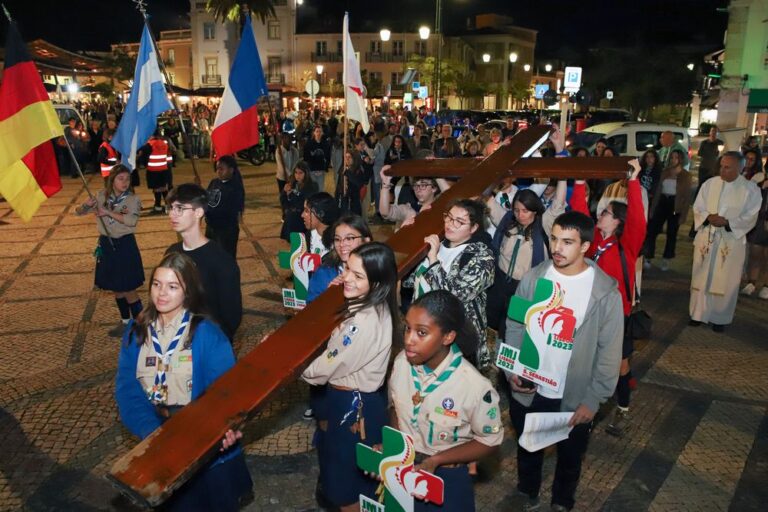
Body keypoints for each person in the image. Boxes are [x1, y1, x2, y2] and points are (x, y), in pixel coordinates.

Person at [503, 211, 623, 512]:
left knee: (570, 455)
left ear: (585, 246)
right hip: (531, 388)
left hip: (573, 394)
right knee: (528, 446)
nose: (557, 247)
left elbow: (609, 352)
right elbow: (515, 324)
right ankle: (527, 491)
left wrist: (593, 400)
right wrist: (512, 370)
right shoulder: (534, 278)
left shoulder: (603, 292)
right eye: (554, 239)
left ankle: (561, 501)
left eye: (567, 242)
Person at [115, 252, 252, 511]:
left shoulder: (208, 335)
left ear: (187, 291)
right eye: (156, 284)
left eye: (172, 286)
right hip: (157, 436)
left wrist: (218, 431)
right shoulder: (136, 332)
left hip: (203, 442)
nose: (161, 293)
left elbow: (226, 394)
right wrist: (153, 433)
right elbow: (128, 389)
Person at [301, 242, 399, 511]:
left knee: (349, 486)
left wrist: (295, 367)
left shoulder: (361, 322)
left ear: (377, 282)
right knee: (355, 479)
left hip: (353, 409)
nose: (347, 278)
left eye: (358, 276)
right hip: (358, 402)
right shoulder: (374, 306)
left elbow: (326, 367)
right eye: (347, 269)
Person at [388, 290, 503, 511]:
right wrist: (393, 445)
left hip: (447, 477)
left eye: (421, 333)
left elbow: (490, 440)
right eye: (408, 328)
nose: (409, 340)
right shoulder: (402, 362)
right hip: (405, 467)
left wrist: (437, 460)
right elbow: (396, 407)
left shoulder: (474, 387)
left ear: (447, 337)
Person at [570, 161, 646, 437]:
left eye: (606, 213)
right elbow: (579, 216)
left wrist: (634, 181)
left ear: (618, 221)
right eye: (601, 212)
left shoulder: (625, 246)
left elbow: (638, 219)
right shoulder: (591, 245)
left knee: (620, 366)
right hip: (588, 315)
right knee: (588, 363)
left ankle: (622, 410)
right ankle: (586, 413)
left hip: (617, 317)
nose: (599, 215)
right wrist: (579, 183)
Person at [417, 199, 495, 367]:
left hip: (458, 339)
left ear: (473, 228)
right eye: (449, 217)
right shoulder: (439, 244)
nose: (451, 224)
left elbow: (455, 296)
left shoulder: (482, 257)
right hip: (424, 329)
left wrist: (433, 260)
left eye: (459, 222)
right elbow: (411, 281)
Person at [689, 152, 762, 332]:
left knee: (726, 279)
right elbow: (698, 207)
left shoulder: (750, 190)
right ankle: (697, 314)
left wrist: (728, 222)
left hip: (731, 241)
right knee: (701, 275)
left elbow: (751, 216)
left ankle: (720, 318)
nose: (722, 170)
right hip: (707, 237)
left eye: (727, 167)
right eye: (721, 166)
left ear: (740, 168)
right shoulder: (709, 184)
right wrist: (708, 217)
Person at [485, 182, 567, 335]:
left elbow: (558, 204)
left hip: (524, 287)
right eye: (516, 210)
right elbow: (487, 199)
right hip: (499, 282)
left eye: (525, 210)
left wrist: (562, 178)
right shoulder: (507, 221)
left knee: (511, 329)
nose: (520, 215)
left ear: (535, 210)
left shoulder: (545, 224)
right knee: (489, 323)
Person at [165, 184, 242, 342]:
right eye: (170, 208)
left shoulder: (221, 261)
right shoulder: (172, 253)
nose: (172, 214)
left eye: (180, 208)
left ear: (198, 212)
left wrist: (212, 344)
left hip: (207, 341)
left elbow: (231, 316)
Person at [75, 165, 144, 337]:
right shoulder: (100, 196)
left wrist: (107, 212)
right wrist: (86, 205)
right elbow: (78, 213)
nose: (125, 182)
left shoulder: (132, 200)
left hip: (125, 245)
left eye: (127, 179)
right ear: (112, 180)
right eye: (120, 179)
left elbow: (130, 221)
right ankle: (125, 322)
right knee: (116, 287)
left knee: (128, 288)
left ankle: (141, 325)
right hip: (106, 244)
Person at [306, 215, 372, 303]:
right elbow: (310, 311)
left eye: (349, 238)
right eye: (337, 239)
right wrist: (329, 296)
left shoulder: (376, 269)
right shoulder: (324, 273)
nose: (341, 244)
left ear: (366, 241)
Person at [644, 149, 692, 271]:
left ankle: (666, 258)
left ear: (681, 159)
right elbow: (658, 191)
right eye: (672, 157)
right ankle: (648, 257)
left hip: (675, 205)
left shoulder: (685, 175)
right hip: (662, 202)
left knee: (672, 233)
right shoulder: (665, 172)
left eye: (676, 157)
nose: (673, 160)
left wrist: (683, 215)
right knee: (652, 231)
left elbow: (686, 197)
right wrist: (652, 209)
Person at [205, 156, 245, 258]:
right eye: (217, 168)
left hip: (226, 230)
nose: (218, 171)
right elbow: (207, 199)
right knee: (211, 256)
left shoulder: (235, 188)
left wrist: (210, 212)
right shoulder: (214, 182)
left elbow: (229, 209)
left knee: (226, 257)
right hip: (211, 227)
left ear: (231, 170)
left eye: (222, 169)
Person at [379, 165, 440, 230]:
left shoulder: (442, 204)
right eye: (415, 185)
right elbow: (385, 212)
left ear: (434, 188)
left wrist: (436, 169)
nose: (418, 189)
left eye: (423, 185)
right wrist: (385, 183)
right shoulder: (410, 210)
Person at [741, 170, 768, 298]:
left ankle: (766, 287)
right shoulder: (760, 179)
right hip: (760, 222)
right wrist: (762, 187)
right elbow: (750, 197)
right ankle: (751, 283)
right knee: (755, 253)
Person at [280, 161, 318, 241]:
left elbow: (306, 202)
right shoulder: (292, 184)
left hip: (301, 220)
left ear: (306, 173)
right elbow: (283, 200)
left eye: (300, 173)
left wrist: (293, 195)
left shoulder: (312, 186)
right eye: (296, 173)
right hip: (291, 219)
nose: (298, 175)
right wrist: (285, 193)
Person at [301, 192, 341, 258]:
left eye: (306, 211)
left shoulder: (338, 244)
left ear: (320, 214)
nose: (302, 215)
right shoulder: (309, 236)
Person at [144, 130, 173, 214]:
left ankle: (158, 207)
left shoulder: (150, 144)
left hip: (153, 170)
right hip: (164, 168)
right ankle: (168, 206)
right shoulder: (164, 142)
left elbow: (145, 157)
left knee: (156, 189)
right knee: (163, 188)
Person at [303, 125, 331, 193]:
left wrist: (325, 167)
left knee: (321, 189)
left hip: (321, 170)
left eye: (320, 131)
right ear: (314, 133)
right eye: (317, 131)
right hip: (312, 170)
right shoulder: (309, 144)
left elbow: (328, 156)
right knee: (313, 189)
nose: (318, 133)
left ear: (322, 133)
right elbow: (306, 157)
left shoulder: (326, 144)